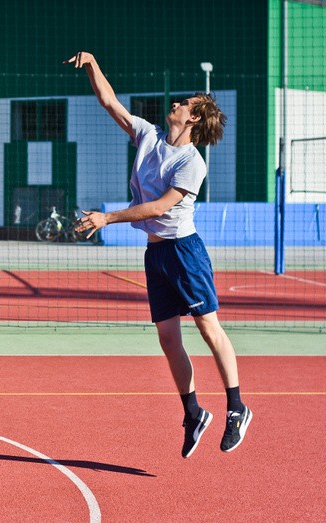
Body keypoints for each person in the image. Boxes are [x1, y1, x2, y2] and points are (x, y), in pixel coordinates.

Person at [65, 51, 252, 458]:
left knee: (207, 328)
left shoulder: (192, 162)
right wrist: (95, 64)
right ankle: (193, 413)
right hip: (157, 255)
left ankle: (236, 407)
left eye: (184, 104)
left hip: (185, 252)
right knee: (168, 338)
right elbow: (110, 102)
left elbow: (158, 207)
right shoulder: (149, 136)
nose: (176, 104)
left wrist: (107, 217)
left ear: (195, 118)